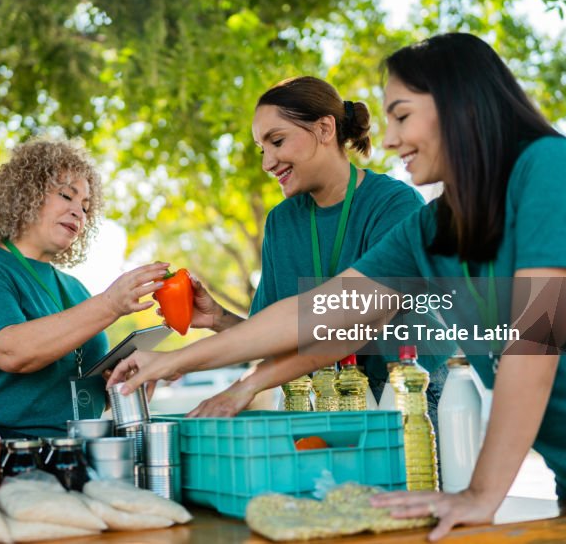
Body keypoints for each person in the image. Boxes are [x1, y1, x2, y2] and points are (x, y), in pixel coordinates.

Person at [110, 33, 566, 543]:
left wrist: (480, 494)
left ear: (457, 104)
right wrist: (175, 360)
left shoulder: (550, 168)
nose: (390, 137)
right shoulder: (431, 228)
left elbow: (536, 342)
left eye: (401, 115)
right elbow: (317, 311)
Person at [181, 75, 447, 417]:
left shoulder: (395, 204)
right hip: (333, 390)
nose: (267, 163)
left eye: (277, 141)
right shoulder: (281, 222)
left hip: (415, 387)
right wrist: (218, 317)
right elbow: (276, 337)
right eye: (263, 149)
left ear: (324, 129)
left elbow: (360, 323)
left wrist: (246, 384)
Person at [0, 138, 168, 438]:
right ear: (25, 195)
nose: (79, 212)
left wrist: (120, 386)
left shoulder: (76, 289)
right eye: (67, 195)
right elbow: (13, 352)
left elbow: (81, 396)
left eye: (86, 207)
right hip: (6, 455)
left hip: (80, 452)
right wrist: (111, 304)